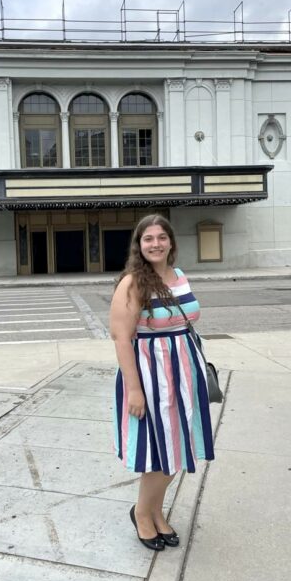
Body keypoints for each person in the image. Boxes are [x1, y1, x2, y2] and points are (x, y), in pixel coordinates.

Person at [110, 213, 215, 551]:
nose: (155, 244)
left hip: (184, 372)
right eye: (148, 239)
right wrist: (135, 390)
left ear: (171, 242)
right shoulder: (133, 283)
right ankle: (142, 513)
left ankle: (155, 511)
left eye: (161, 237)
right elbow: (121, 338)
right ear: (139, 245)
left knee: (179, 446)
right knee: (158, 451)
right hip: (150, 375)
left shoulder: (179, 276)